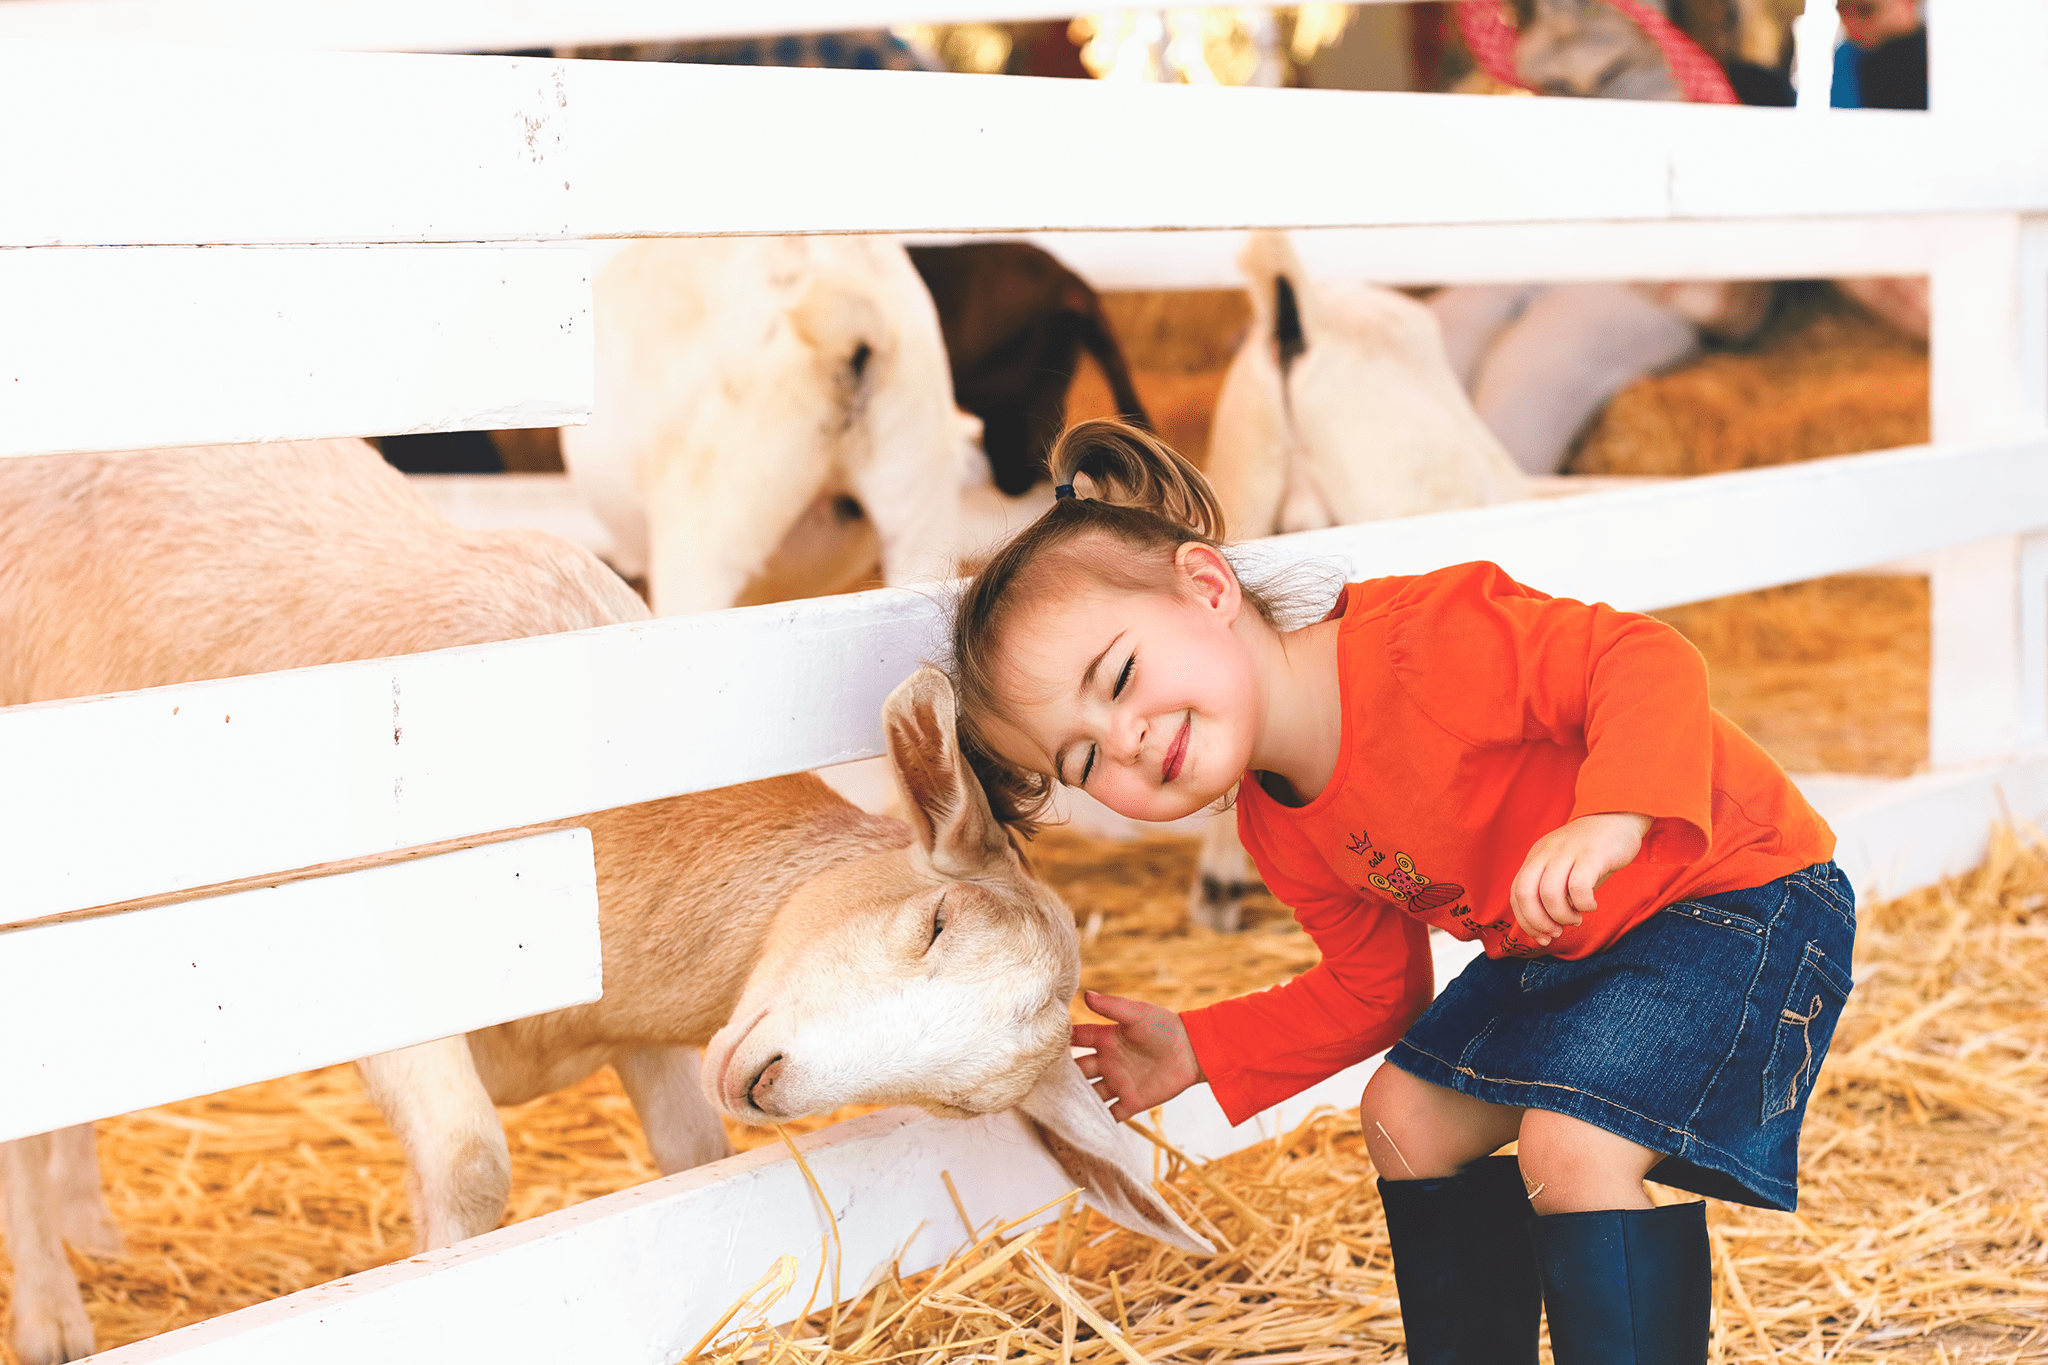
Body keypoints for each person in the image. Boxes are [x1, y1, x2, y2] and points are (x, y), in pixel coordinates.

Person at [947, 419, 1857, 1365]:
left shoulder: (1422, 645)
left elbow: (1642, 658)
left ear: (1208, 586)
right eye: (1085, 757)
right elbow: (1377, 994)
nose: (1125, 738)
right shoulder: (1276, 820)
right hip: (1576, 950)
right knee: (1401, 1115)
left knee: (1569, 1145)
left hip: (1738, 896)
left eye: (1121, 676)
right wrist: (1200, 1046)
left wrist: (1613, 815)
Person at [1832, 0, 1927, 110]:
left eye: (1865, 10)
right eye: (1839, 10)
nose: (1849, 24)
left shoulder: (1939, 64)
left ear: (1907, 2)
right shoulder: (1843, 60)